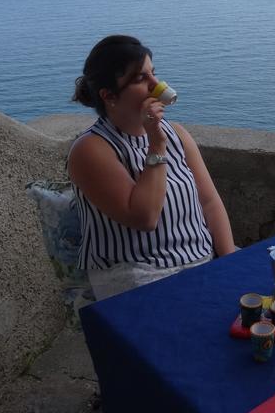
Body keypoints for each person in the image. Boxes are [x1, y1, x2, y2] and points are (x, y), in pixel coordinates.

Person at [68, 34, 236, 301]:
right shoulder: (91, 150)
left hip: (201, 259)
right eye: (140, 79)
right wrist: (156, 143)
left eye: (153, 74)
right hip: (136, 273)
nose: (156, 85)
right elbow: (144, 217)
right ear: (109, 95)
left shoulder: (178, 134)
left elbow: (209, 201)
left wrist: (230, 261)